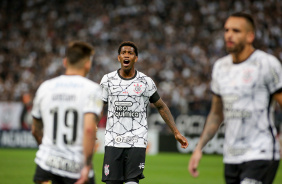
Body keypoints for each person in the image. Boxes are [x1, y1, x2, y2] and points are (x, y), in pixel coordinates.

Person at [188, 12, 282, 184]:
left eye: (236, 31)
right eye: (226, 30)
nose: (229, 35)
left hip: (261, 152)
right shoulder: (220, 67)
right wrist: (199, 148)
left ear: (250, 36)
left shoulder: (267, 64)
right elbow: (216, 114)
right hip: (231, 156)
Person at [100, 41, 188, 184]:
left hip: (137, 141)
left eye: (130, 53)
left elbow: (161, 106)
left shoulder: (145, 82)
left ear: (136, 58)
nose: (126, 55)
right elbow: (99, 105)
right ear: (119, 57)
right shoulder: (108, 80)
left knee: (132, 181)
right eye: (123, 53)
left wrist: (176, 132)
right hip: (113, 141)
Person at [31, 41, 103, 184]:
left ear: (65, 62)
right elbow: (89, 129)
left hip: (45, 165)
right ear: (88, 64)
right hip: (75, 168)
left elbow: (35, 130)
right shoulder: (92, 90)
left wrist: (48, 152)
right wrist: (87, 165)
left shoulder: (45, 87)